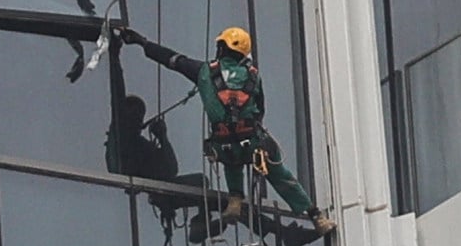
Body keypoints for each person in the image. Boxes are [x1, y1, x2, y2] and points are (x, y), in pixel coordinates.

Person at [121, 24, 334, 235]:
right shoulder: (253, 76)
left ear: (222, 49)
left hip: (225, 145)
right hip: (252, 141)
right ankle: (316, 216)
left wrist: (143, 42)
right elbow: (260, 109)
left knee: (231, 157)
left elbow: (174, 60)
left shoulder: (204, 71)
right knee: (280, 175)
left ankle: (235, 199)